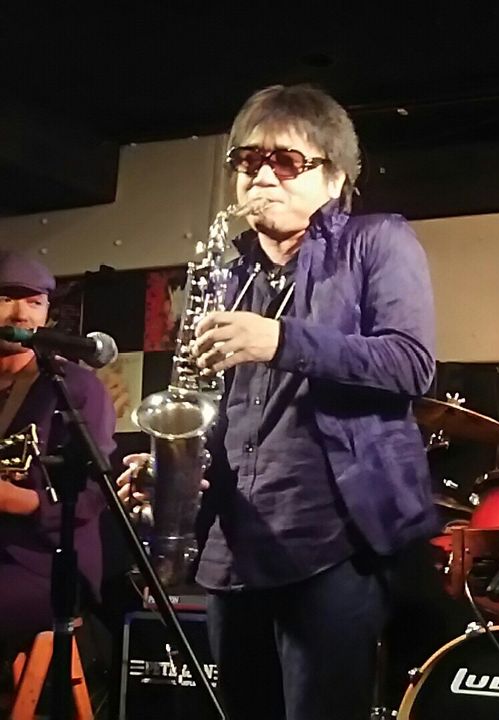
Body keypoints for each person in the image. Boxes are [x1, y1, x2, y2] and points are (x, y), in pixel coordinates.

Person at [116, 84, 438, 720]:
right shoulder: (225, 274)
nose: (262, 175)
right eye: (247, 160)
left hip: (335, 543)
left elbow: (411, 362)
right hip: (234, 546)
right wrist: (174, 468)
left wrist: (281, 340)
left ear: (335, 177)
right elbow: (211, 403)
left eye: (287, 161)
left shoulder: (378, 241)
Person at [0, 251, 116, 664]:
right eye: (5, 299)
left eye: (34, 302)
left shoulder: (75, 387)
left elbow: (94, 494)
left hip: (44, 563)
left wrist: (19, 501)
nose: (20, 314)